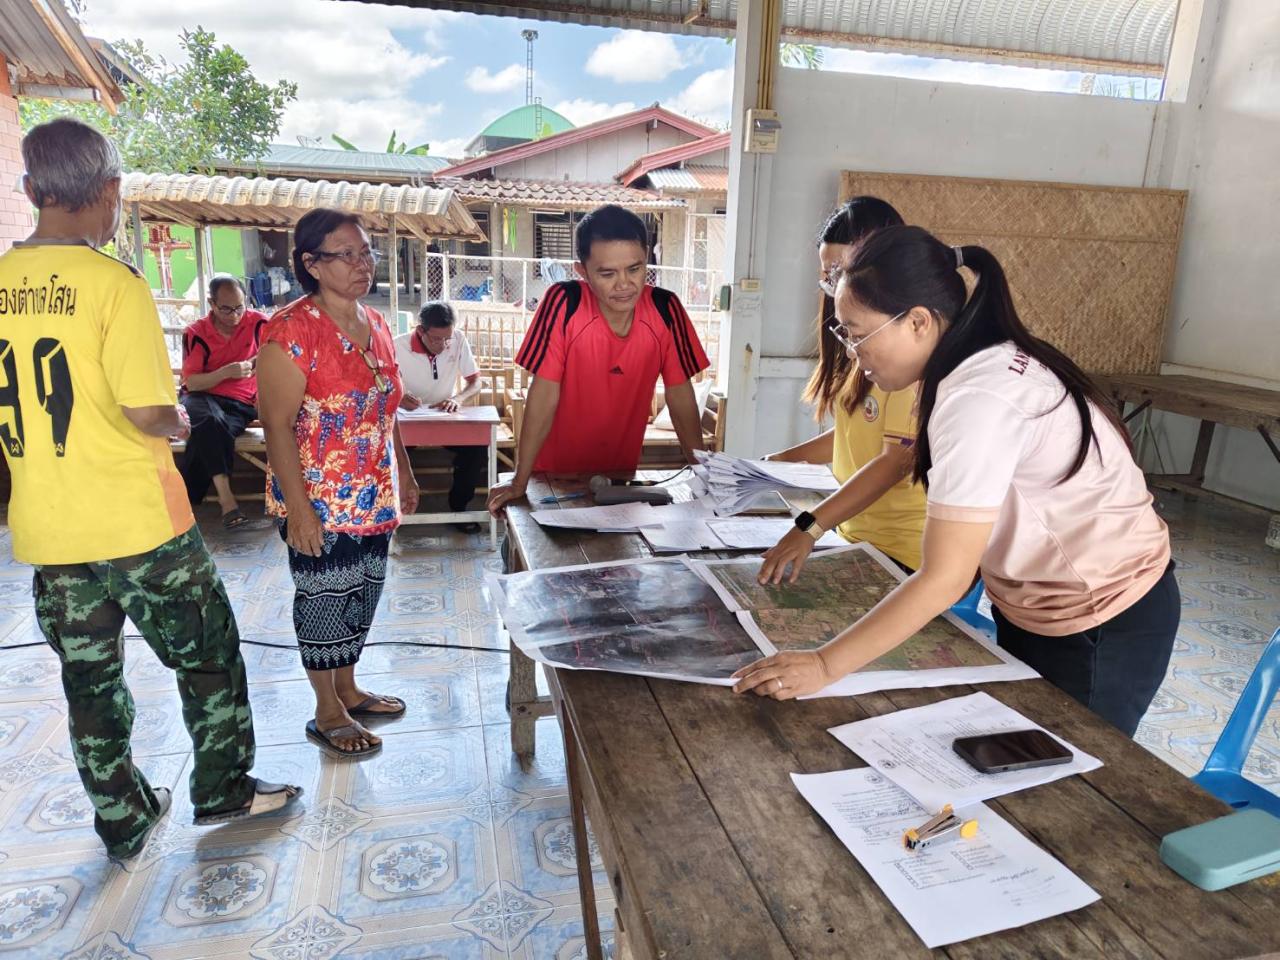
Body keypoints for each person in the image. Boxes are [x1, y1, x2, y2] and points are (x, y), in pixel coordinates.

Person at [733, 225, 1178, 737]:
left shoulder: (979, 397)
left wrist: (826, 665)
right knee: (1017, 753)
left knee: (1073, 768)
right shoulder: (963, 369)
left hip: (1102, 615)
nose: (854, 353)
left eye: (857, 335)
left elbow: (944, 576)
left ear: (918, 321)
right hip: (1037, 603)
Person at [0, 119, 300, 861]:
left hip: (47, 526)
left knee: (90, 681)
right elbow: (147, 410)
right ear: (108, 192)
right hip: (138, 523)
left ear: (33, 192)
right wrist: (173, 419)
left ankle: (123, 816)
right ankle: (223, 789)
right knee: (208, 656)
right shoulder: (113, 284)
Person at [257, 208, 419, 759]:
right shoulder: (291, 330)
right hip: (319, 502)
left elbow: (386, 408)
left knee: (364, 593)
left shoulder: (374, 324)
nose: (361, 264)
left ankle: (349, 687)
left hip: (374, 494)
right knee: (324, 599)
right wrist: (299, 511)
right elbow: (275, 425)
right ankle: (327, 710)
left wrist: (405, 471)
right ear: (311, 264)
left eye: (365, 252)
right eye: (344, 254)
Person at [486, 204, 710, 514]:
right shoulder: (564, 304)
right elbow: (543, 394)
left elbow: (680, 396)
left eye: (635, 269)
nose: (624, 284)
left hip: (618, 480)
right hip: (550, 477)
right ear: (583, 271)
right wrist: (520, 480)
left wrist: (702, 471)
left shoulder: (665, 310)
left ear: (648, 259)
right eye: (607, 273)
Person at [759, 197, 926, 579]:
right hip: (853, 537)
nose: (836, 287)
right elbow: (856, 436)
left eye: (843, 272)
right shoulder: (859, 346)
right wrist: (781, 461)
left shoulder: (904, 352)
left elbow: (895, 460)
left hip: (901, 552)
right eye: (827, 275)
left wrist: (811, 526)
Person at [179, 274, 269, 528]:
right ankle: (227, 501)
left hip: (241, 402)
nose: (234, 315)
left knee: (210, 431)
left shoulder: (259, 324)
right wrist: (225, 373)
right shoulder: (197, 333)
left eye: (239, 307)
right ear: (212, 303)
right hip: (201, 397)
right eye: (226, 309)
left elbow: (278, 355)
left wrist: (255, 363)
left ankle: (186, 498)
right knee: (207, 420)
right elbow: (192, 383)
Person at [394, 301, 485, 533]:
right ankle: (396, 511)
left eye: (448, 339)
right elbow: (382, 385)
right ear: (420, 330)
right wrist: (400, 396)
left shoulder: (458, 340)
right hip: (407, 421)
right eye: (436, 339)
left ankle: (459, 508)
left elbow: (475, 381)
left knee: (476, 449)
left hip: (443, 417)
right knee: (391, 454)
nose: (444, 345)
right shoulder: (397, 346)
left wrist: (458, 399)